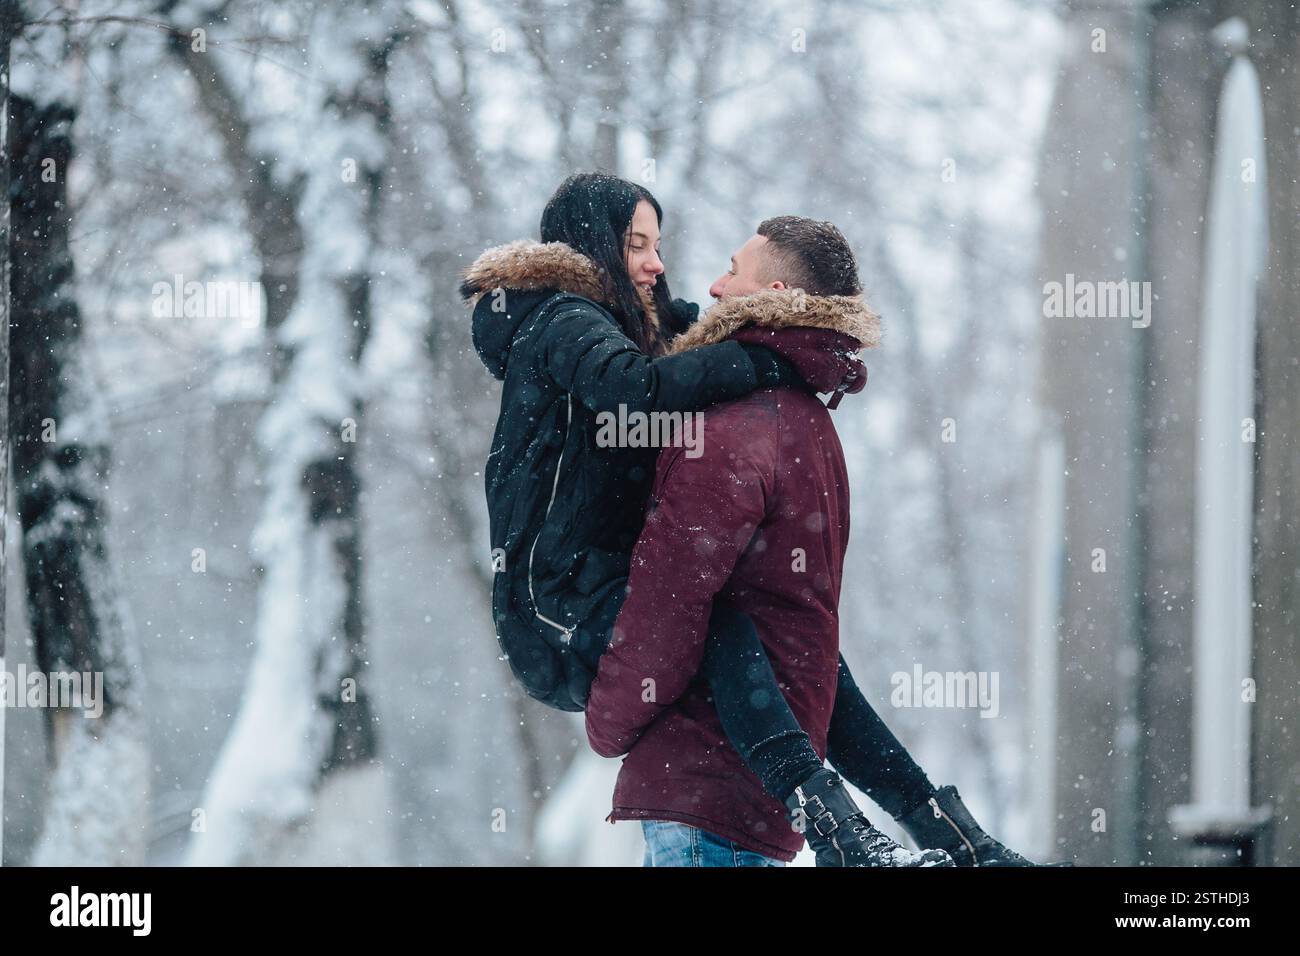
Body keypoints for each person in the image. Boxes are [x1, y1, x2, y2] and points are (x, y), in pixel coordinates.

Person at [464, 173, 1042, 866]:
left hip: (601, 593)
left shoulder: (633, 328)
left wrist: (785, 340)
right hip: (551, 604)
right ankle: (819, 803)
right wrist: (763, 354)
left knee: (803, 657)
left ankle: (948, 833)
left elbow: (699, 331)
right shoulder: (563, 319)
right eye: (637, 244)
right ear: (594, 247)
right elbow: (640, 389)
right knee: (731, 630)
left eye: (659, 244)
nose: (661, 264)